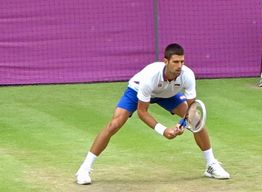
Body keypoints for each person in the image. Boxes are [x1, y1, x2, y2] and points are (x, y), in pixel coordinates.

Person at [75, 43, 230, 184]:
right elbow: (142, 112)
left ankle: (211, 165)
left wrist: (182, 123)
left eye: (182, 62)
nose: (179, 66)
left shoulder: (187, 75)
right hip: (137, 90)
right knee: (115, 124)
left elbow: (192, 107)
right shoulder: (150, 77)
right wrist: (164, 131)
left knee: (196, 121)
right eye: (175, 62)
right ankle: (84, 168)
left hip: (168, 94)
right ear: (166, 61)